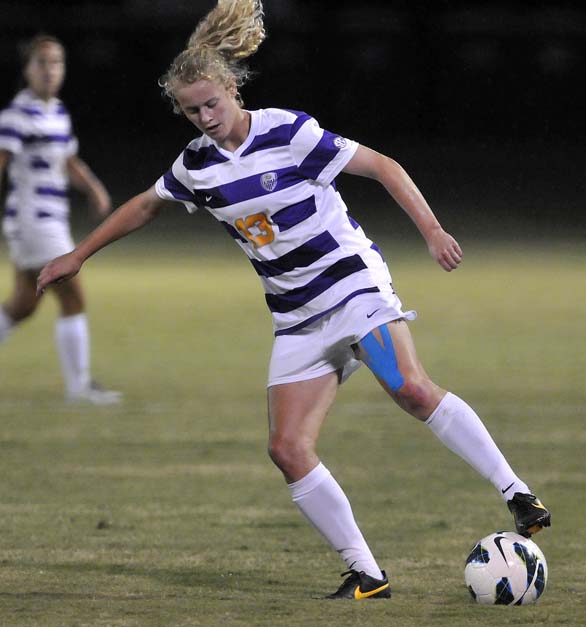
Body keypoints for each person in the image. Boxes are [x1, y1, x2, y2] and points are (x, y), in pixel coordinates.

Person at [37, 0, 550, 598]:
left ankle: (518, 494)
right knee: (286, 448)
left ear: (233, 88)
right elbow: (146, 204)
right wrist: (79, 254)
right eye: (190, 109)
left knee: (408, 387)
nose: (204, 117)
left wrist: (432, 230)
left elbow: (383, 166)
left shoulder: (287, 131)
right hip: (297, 317)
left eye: (212, 103)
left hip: (351, 283)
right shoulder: (196, 167)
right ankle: (368, 573)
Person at [0, 34, 121, 405]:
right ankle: (79, 387)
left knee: (23, 304)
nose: (50, 70)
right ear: (27, 69)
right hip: (33, 219)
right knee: (72, 294)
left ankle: (79, 387)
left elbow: (68, 162)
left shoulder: (58, 113)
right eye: (42, 63)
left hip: (48, 218)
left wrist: (94, 188)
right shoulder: (16, 115)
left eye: (56, 63)